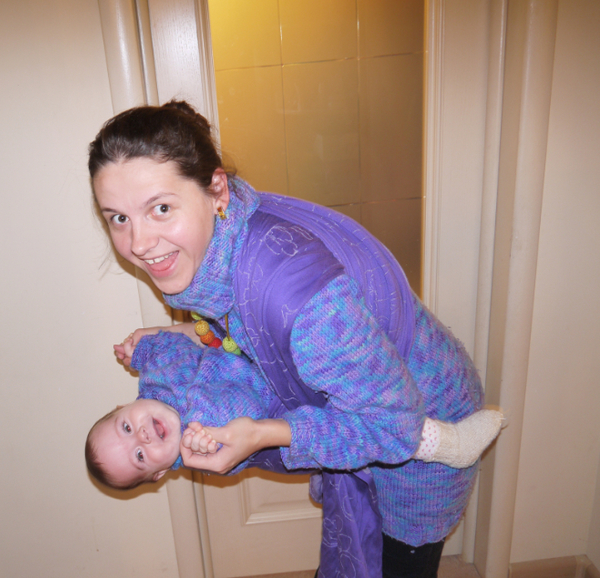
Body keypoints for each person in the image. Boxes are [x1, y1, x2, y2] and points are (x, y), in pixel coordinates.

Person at [88, 100, 499, 578]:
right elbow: (246, 337)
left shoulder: (295, 296)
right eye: (118, 218)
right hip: (371, 407)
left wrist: (262, 435)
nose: (138, 243)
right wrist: (178, 332)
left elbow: (395, 430)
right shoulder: (222, 248)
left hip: (421, 431)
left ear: (216, 189)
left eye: (160, 208)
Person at [86, 330, 503, 490]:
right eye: (139, 456)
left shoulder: (154, 372)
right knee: (351, 429)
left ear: (125, 405)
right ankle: (443, 442)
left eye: (126, 428)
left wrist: (140, 346)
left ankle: (337, 476)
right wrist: (207, 440)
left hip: (263, 354)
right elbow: (247, 412)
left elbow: (171, 342)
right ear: (159, 473)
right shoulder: (198, 448)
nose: (143, 437)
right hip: (287, 408)